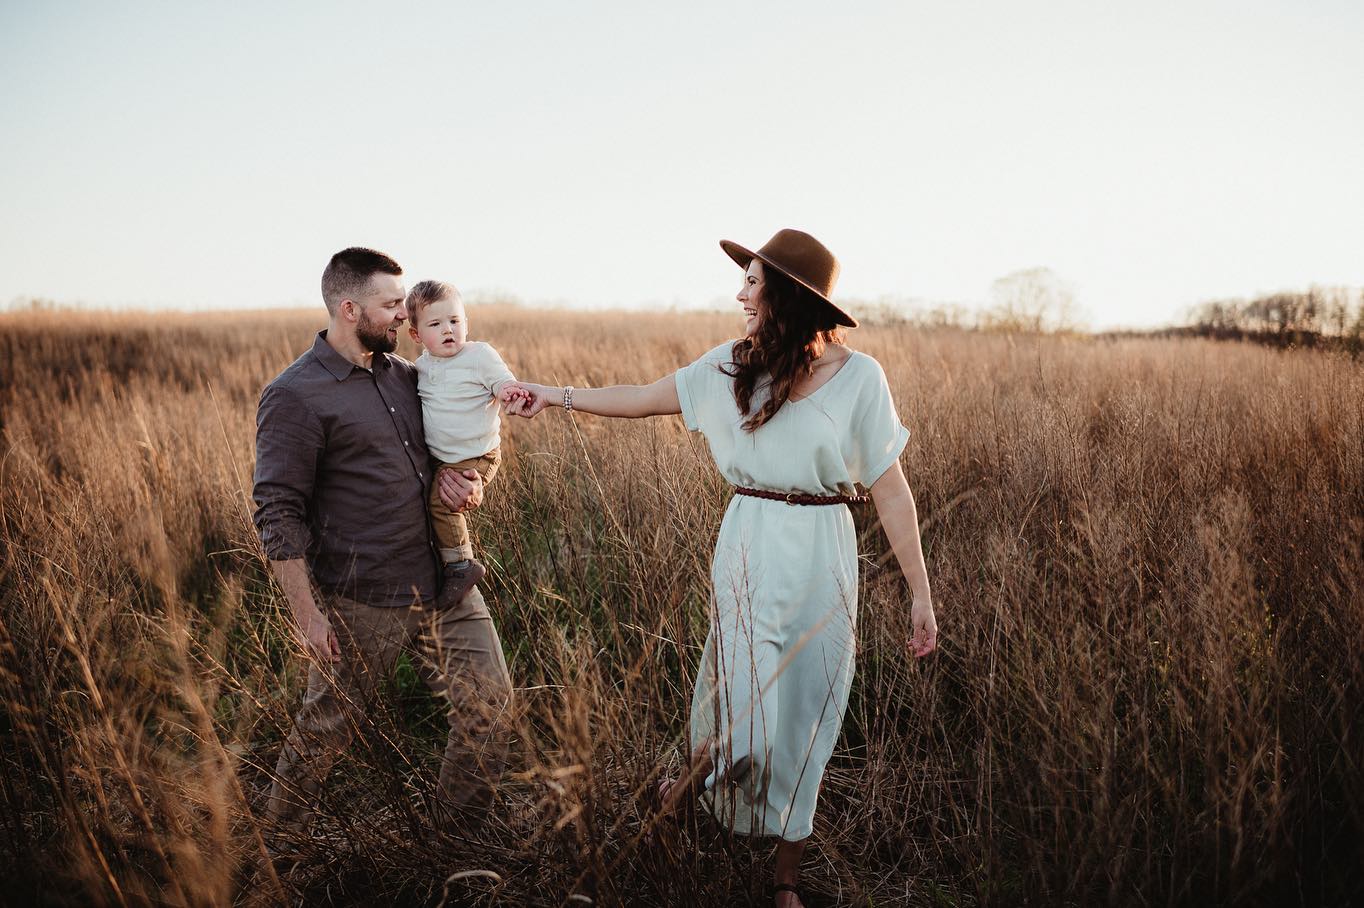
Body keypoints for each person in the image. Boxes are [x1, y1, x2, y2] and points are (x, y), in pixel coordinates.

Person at [502, 229, 937, 907]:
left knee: (811, 712)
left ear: (787, 296)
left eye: (753, 282)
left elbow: (891, 488)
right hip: (750, 542)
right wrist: (551, 394)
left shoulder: (860, 378)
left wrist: (920, 593)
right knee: (750, 719)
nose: (739, 294)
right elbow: (641, 397)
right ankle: (671, 806)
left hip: (824, 549)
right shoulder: (730, 366)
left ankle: (784, 880)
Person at [253, 247, 514, 841]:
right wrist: (306, 614)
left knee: (489, 707)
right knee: (327, 729)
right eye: (392, 305)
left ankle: (452, 846)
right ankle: (277, 854)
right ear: (349, 308)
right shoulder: (296, 395)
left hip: (446, 582)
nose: (405, 316)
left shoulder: (410, 375)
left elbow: (466, 446)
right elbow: (277, 510)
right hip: (365, 595)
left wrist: (473, 480)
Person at [405, 279, 525, 608]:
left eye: (455, 321)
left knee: (441, 502)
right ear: (416, 335)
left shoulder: (478, 355)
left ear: (466, 324)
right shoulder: (422, 367)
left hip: (476, 453)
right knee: (428, 497)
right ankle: (440, 560)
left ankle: (461, 565)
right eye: (436, 324)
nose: (448, 330)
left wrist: (506, 391)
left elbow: (501, 380)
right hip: (442, 456)